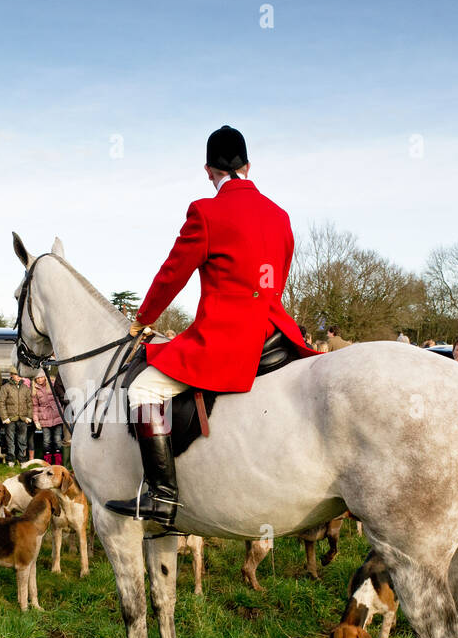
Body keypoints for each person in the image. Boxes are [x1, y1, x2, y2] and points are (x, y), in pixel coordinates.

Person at [105, 126, 318, 524]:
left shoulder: (205, 212)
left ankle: (163, 497)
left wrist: (143, 318)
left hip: (228, 337)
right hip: (275, 331)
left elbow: (173, 274)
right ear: (248, 166)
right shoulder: (280, 214)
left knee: (143, 388)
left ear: (208, 171)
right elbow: (279, 275)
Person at [0, 370, 34, 468]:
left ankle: (22, 458)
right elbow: (1, 403)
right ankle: (11, 459)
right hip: (10, 418)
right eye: (16, 375)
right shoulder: (5, 388)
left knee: (22, 439)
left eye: (20, 376)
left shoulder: (25, 388)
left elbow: (30, 403)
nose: (18, 377)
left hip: (23, 418)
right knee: (10, 440)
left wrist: (29, 417)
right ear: (11, 375)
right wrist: (5, 418)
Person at [33, 372, 65, 466]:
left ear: (45, 377)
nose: (39, 380)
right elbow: (35, 406)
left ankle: (58, 461)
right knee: (46, 440)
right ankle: (48, 462)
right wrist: (36, 420)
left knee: (57, 439)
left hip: (56, 415)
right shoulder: (35, 389)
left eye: (41, 377)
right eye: (37, 378)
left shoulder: (53, 384)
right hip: (44, 417)